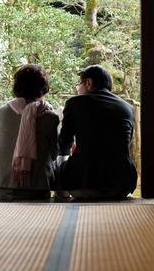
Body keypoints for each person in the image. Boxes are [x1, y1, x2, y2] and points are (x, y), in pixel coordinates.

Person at [57, 65, 138, 199]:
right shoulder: (128, 108)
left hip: (80, 185)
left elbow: (64, 143)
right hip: (121, 186)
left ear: (89, 83)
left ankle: (62, 196)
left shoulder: (74, 103)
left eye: (79, 84)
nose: (78, 89)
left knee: (61, 158)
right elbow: (126, 144)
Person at [0, 64, 60, 199]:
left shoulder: (0, 112)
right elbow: (54, 153)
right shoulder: (51, 117)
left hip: (1, 185)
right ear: (43, 88)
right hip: (38, 186)